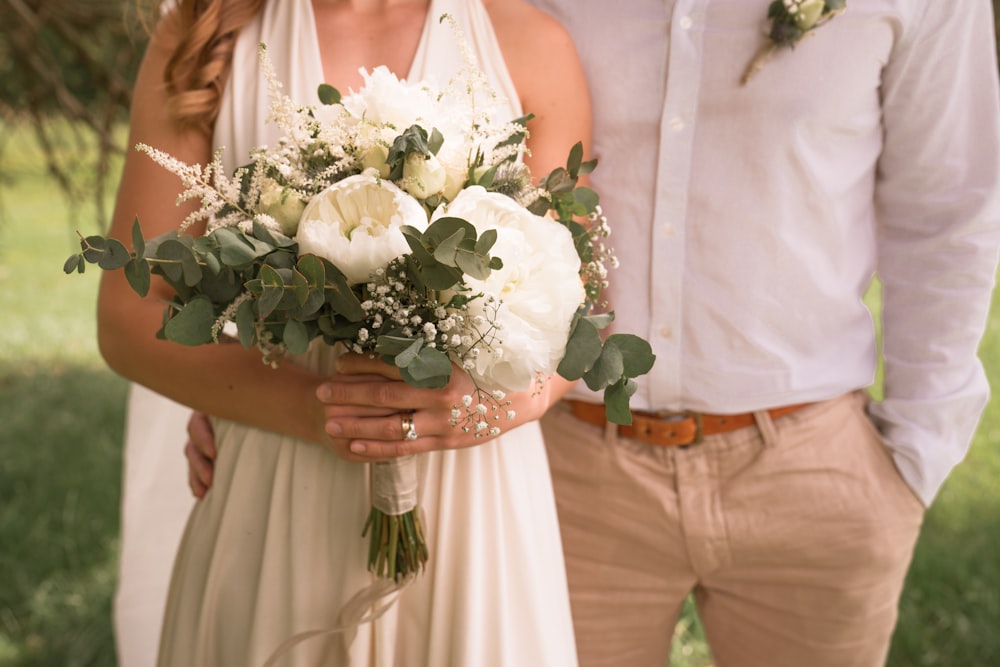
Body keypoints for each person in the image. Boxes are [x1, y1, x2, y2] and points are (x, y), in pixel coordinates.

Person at [189, 1, 1000, 666]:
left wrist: (913, 456)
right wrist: (274, 372)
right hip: (563, 463)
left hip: (812, 471)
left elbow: (950, 209)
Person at [100, 0, 591, 664]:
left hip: (476, 495)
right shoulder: (204, 36)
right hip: (276, 487)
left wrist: (483, 409)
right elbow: (129, 318)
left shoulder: (530, 43)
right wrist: (312, 408)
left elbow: (573, 311)